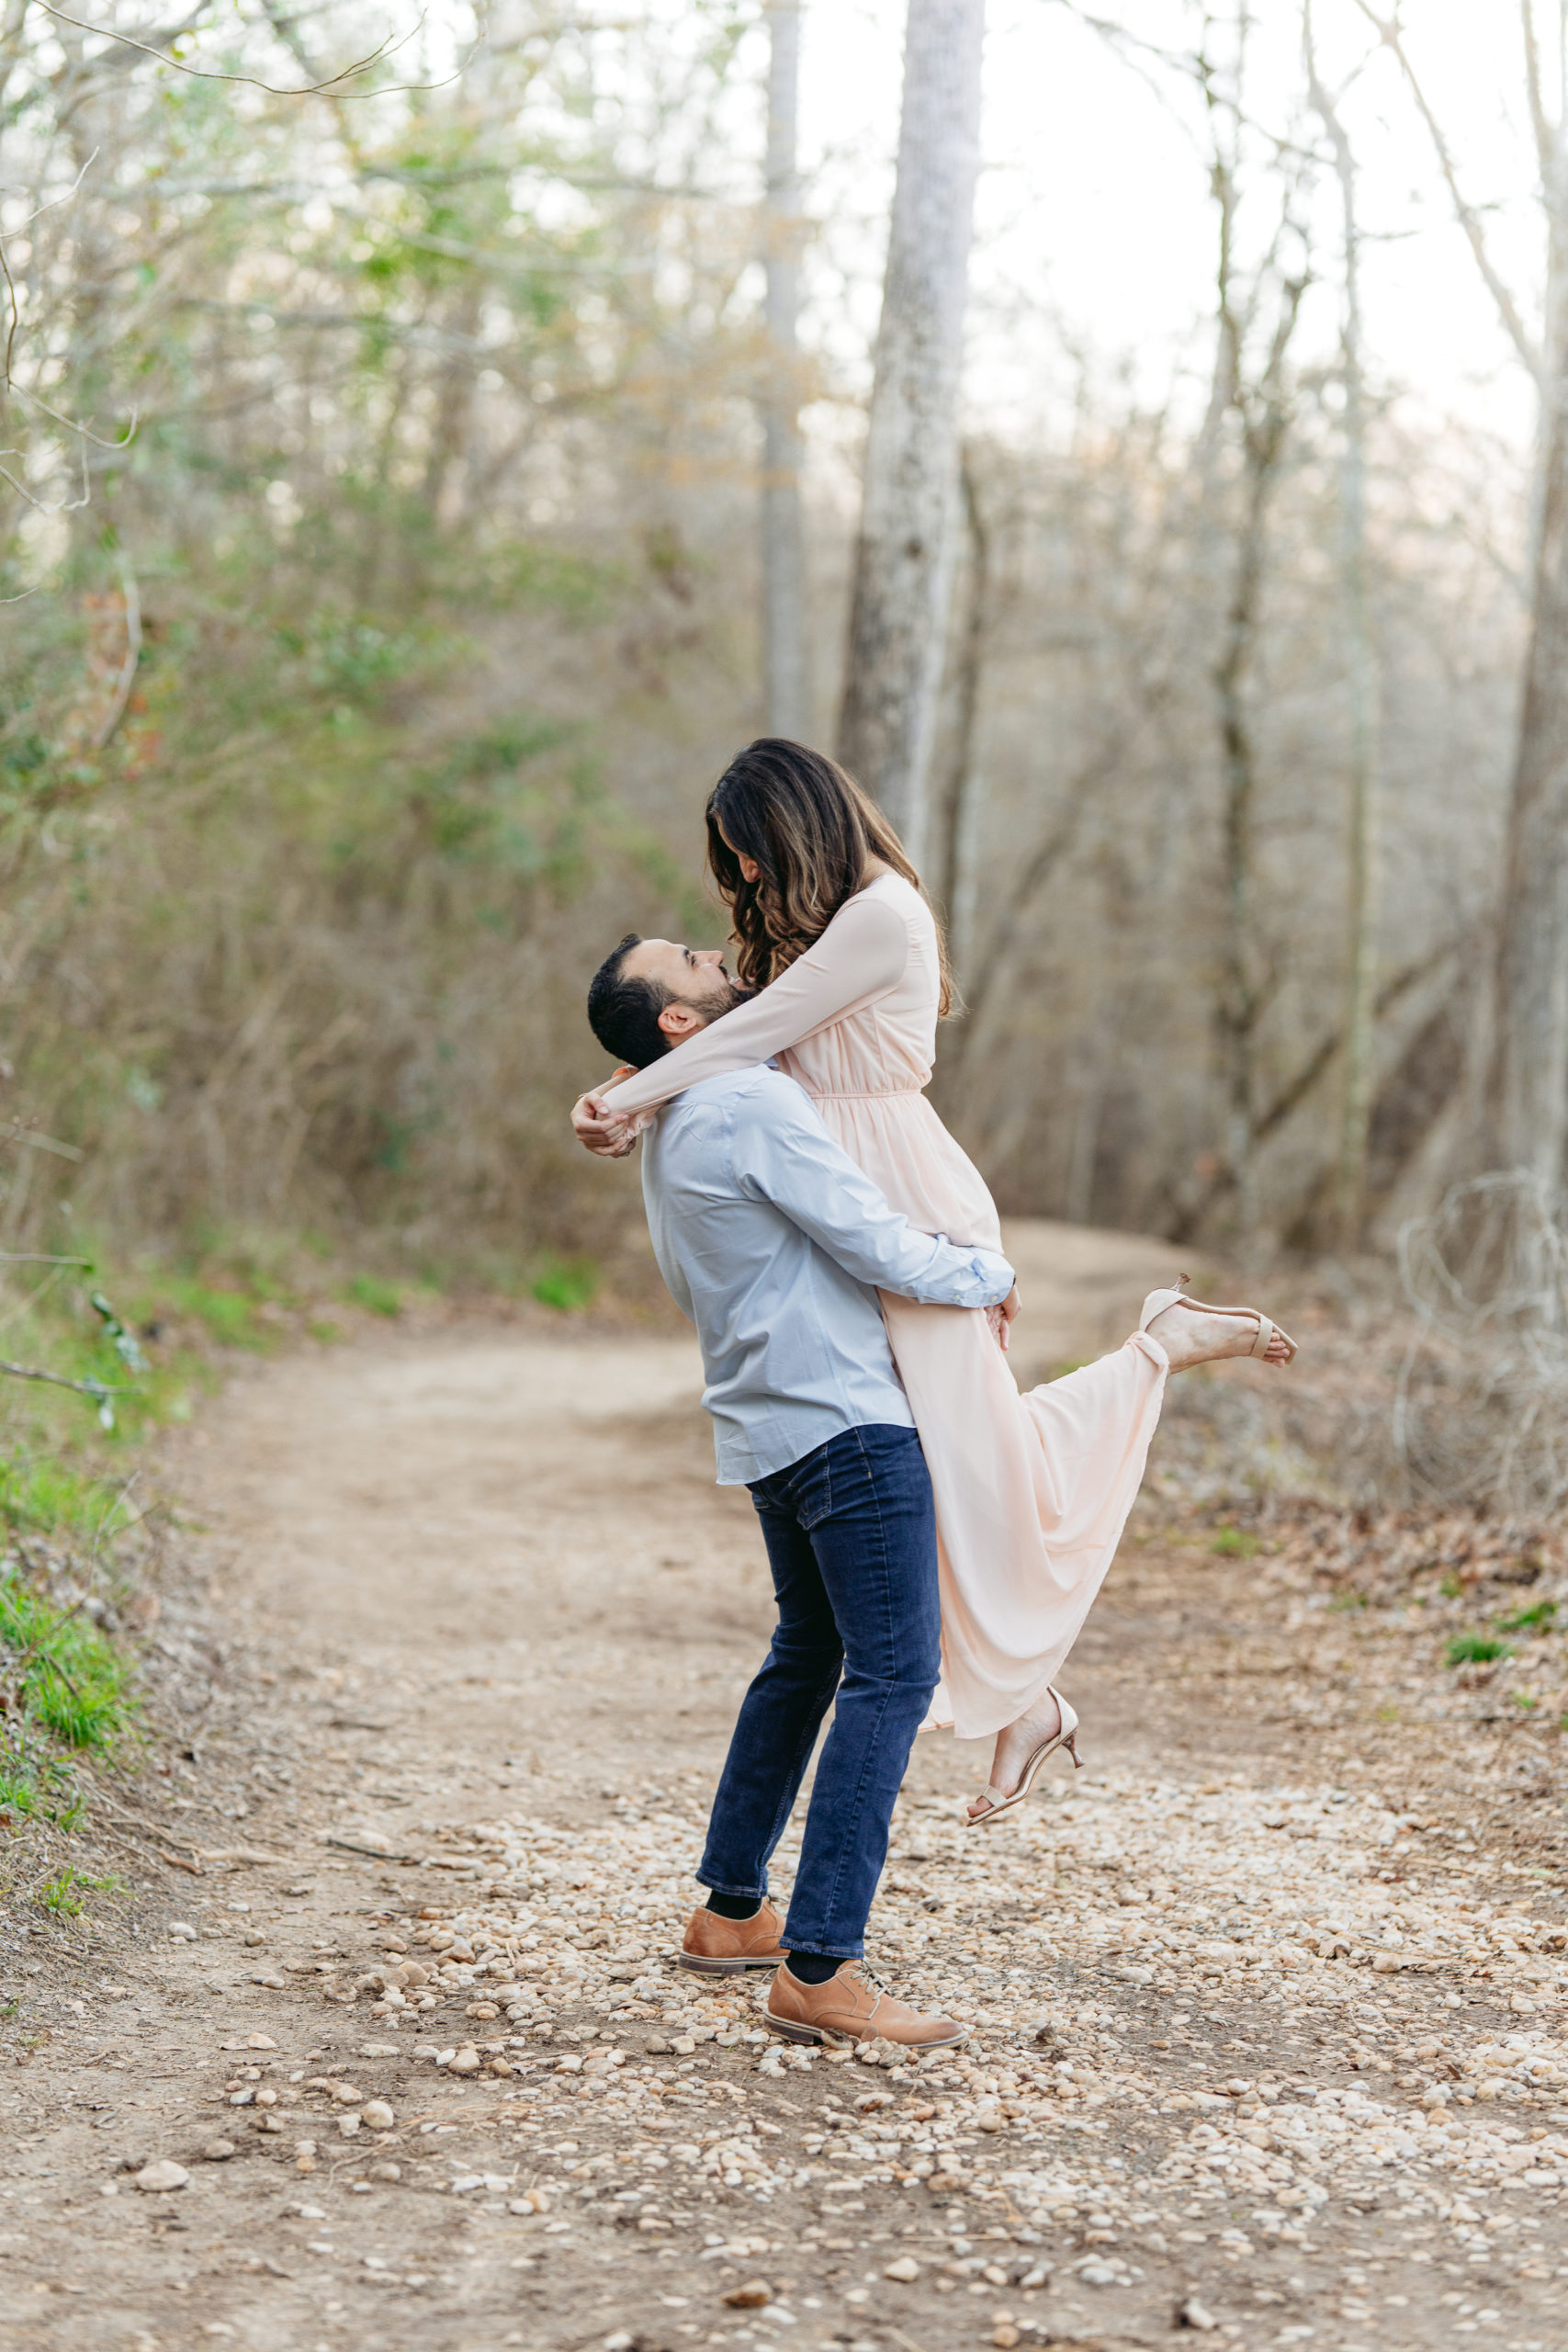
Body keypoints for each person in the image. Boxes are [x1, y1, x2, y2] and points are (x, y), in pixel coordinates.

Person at [574, 741, 1297, 1825]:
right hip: (854, 1193)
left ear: (800, 826)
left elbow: (756, 1035)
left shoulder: (882, 914)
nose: (752, 885)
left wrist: (624, 1097)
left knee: (974, 1456)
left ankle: (1156, 1350)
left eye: (755, 859)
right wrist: (635, 1087)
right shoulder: (817, 932)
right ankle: (1025, 1697)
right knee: (949, 1459)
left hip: (908, 1194)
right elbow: (736, 1051)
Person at [588, 928, 1014, 2047]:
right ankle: (821, 1964)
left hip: (768, 1425)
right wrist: (988, 1275)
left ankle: (734, 1911)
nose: (714, 954)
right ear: (677, 1019)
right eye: (689, 957)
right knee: (892, 1675)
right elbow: (869, 1234)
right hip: (843, 1421)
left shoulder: (671, 1120)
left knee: (809, 1653)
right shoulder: (740, 1106)